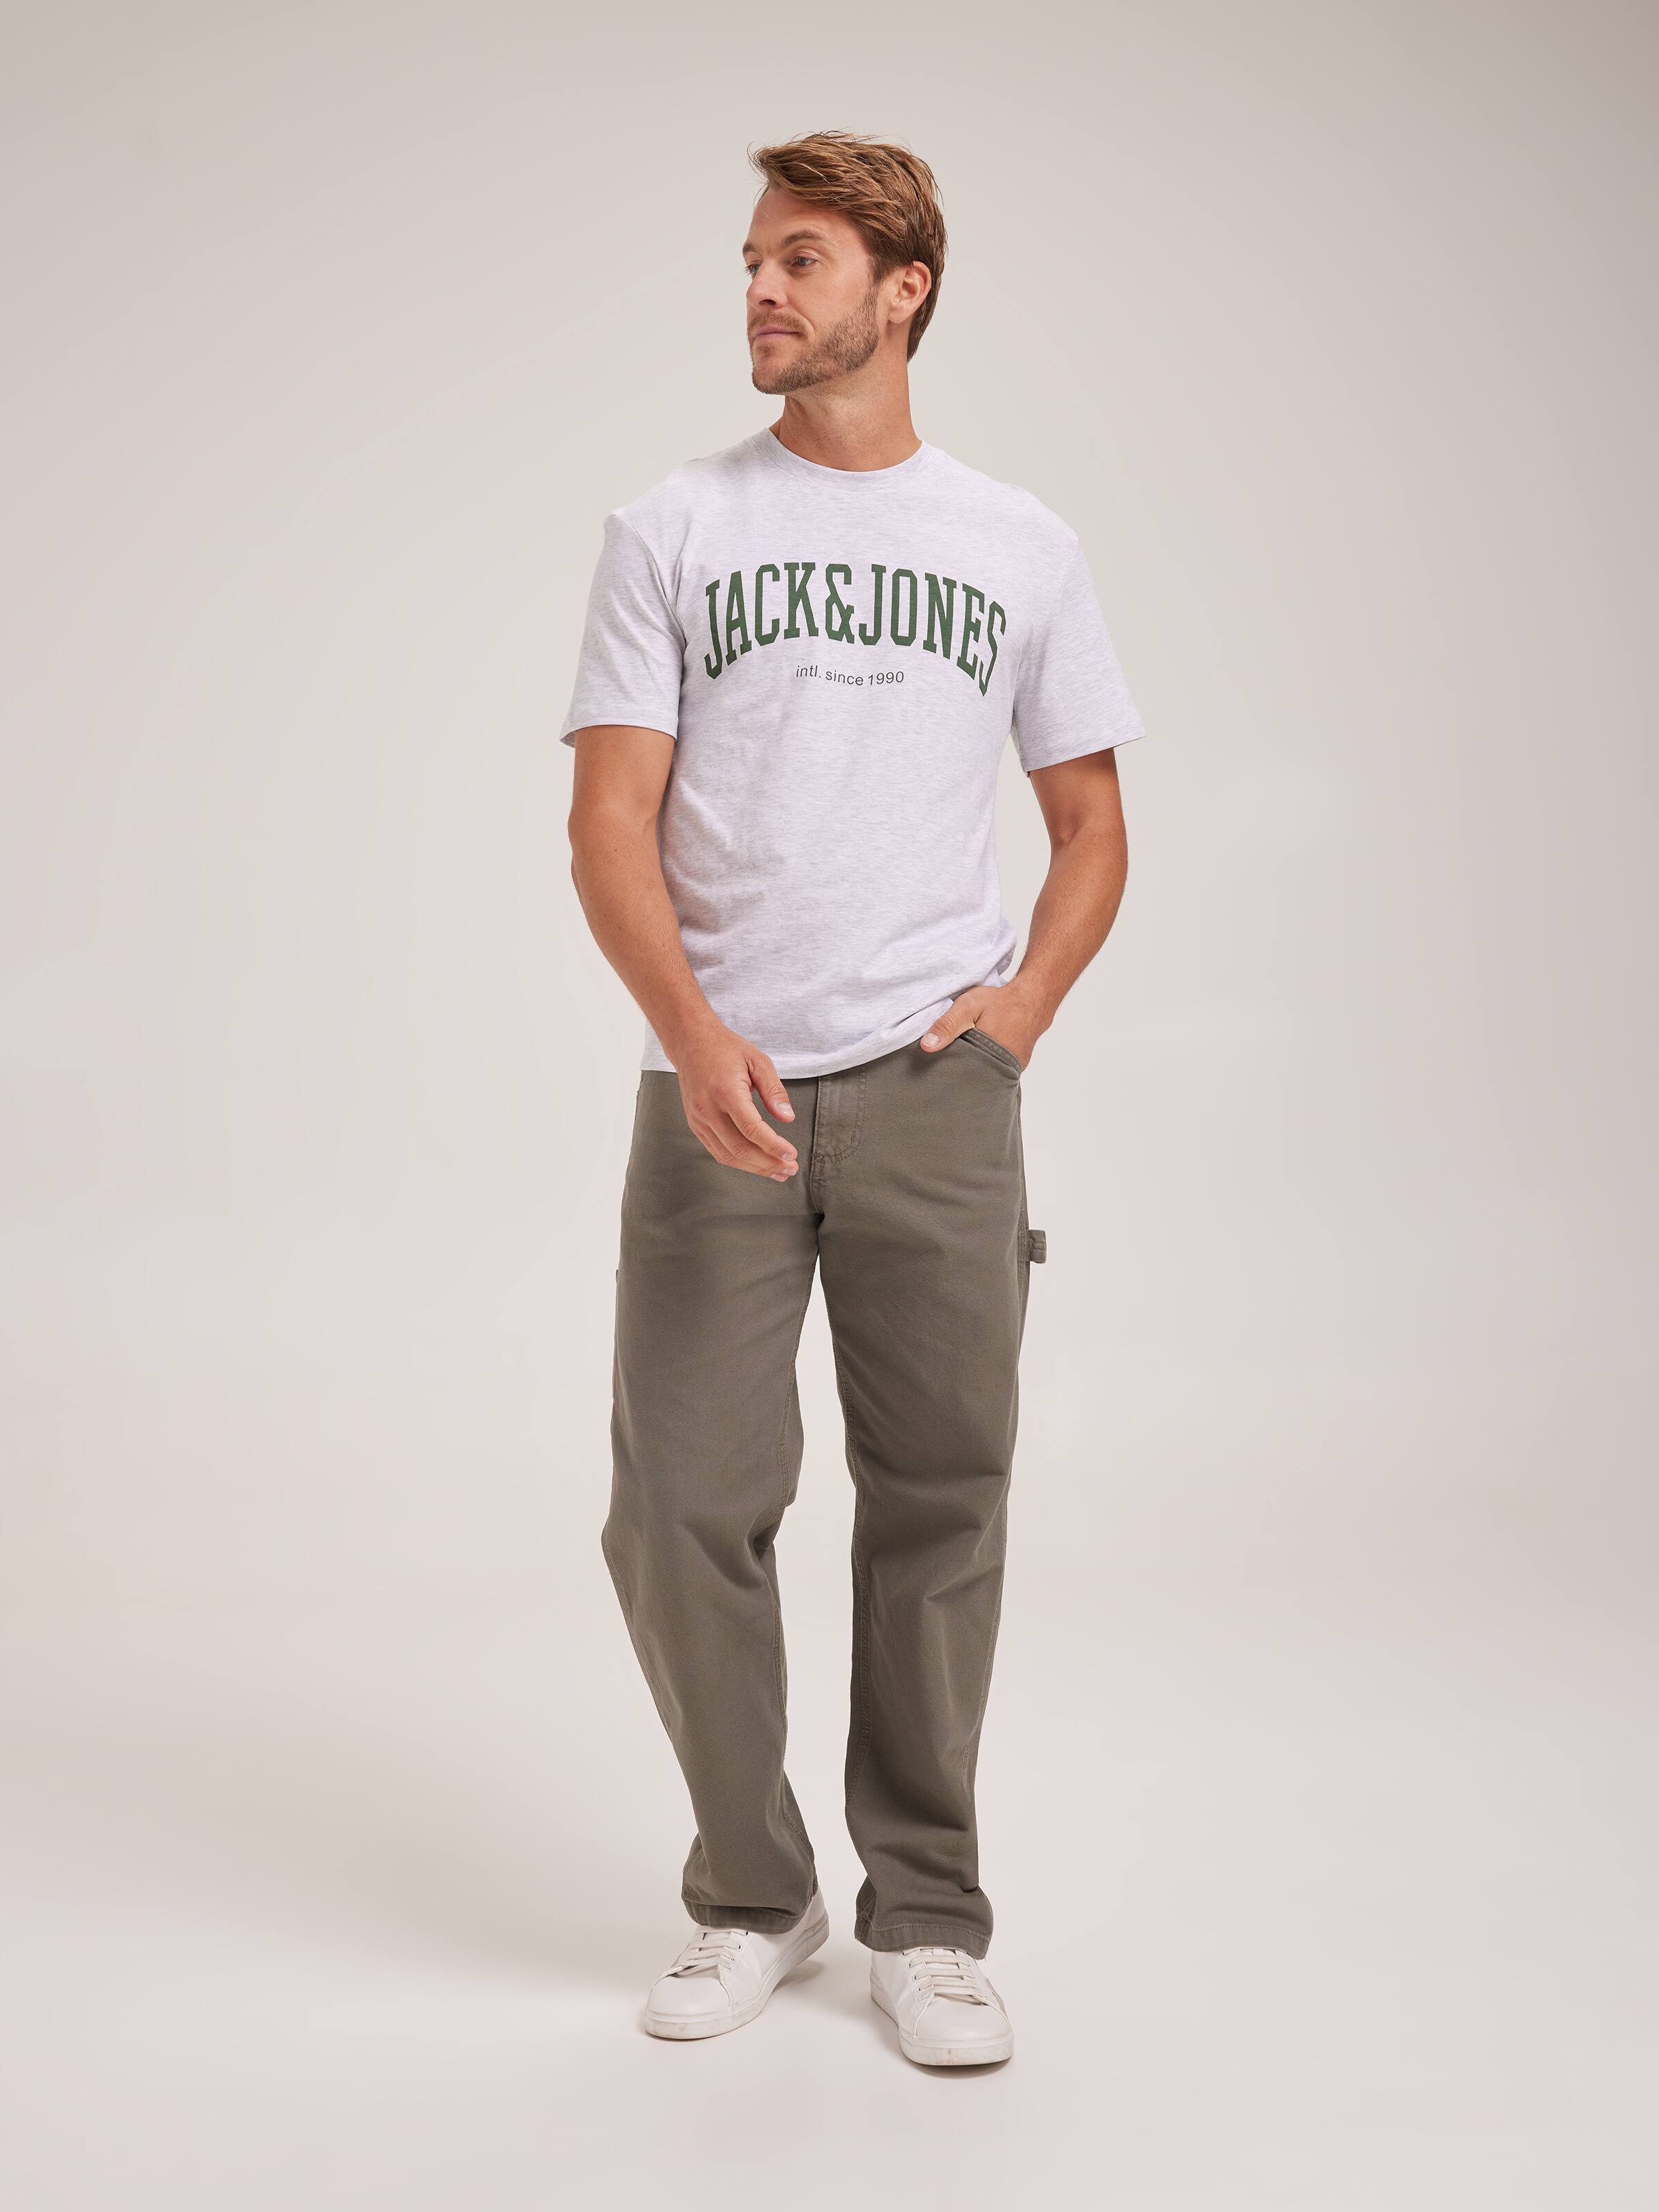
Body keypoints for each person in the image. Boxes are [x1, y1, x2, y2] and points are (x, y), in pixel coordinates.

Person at [561, 129, 1143, 2068]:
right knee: (678, 1509)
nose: (759, 287)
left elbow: (1090, 828)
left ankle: (928, 1915)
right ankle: (753, 1891)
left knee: (941, 1504)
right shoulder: (671, 528)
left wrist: (1019, 1017)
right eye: (751, 257)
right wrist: (691, 1023)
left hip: (936, 1088)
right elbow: (610, 826)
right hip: (715, 1089)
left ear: (904, 291)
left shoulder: (1018, 544)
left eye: (799, 258)